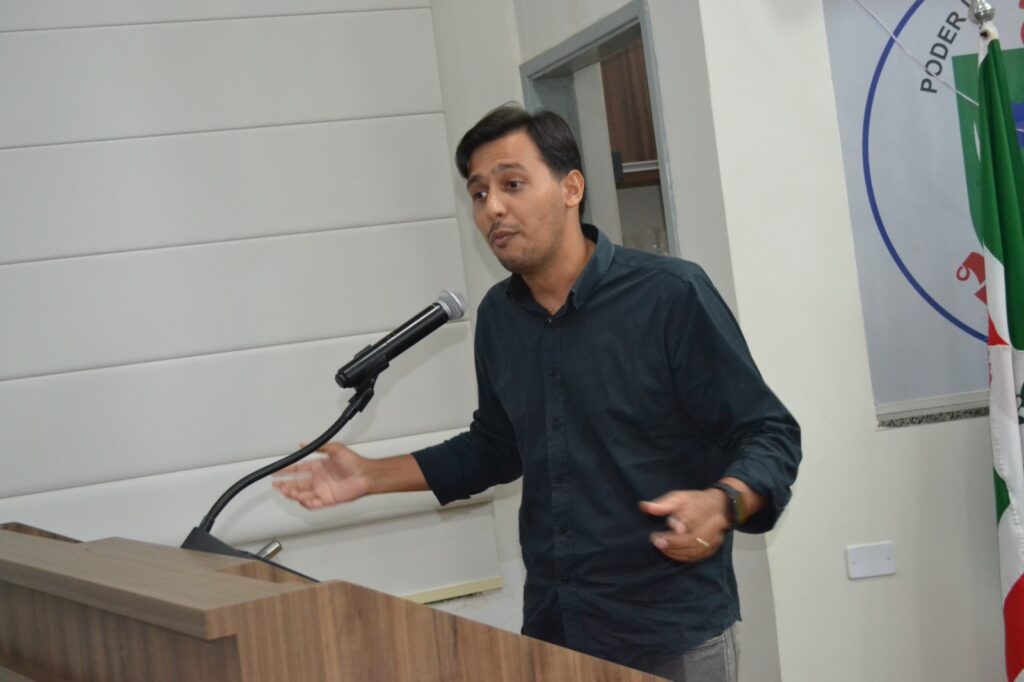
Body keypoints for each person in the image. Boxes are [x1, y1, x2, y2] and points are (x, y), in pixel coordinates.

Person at [273, 104, 801, 681]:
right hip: (556, 629)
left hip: (666, 633)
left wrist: (724, 503)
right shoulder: (500, 318)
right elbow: (496, 448)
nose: (492, 208)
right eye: (478, 194)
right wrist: (371, 476)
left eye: (512, 184)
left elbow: (769, 433)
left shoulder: (670, 296)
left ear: (571, 188)